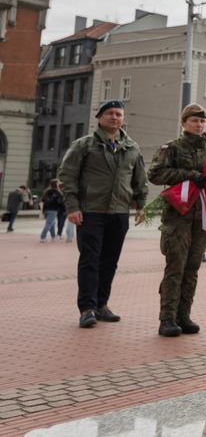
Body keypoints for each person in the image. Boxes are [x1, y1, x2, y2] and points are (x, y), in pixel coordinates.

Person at [59, 99, 147, 328]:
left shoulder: (132, 147)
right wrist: (72, 206)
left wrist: (141, 205)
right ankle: (87, 308)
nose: (114, 117)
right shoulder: (84, 145)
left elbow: (140, 180)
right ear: (99, 118)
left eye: (118, 114)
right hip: (90, 212)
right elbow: (67, 176)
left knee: (110, 261)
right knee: (90, 260)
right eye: (109, 113)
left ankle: (102, 305)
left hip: (119, 213)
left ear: (123, 118)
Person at [148, 103, 206, 337]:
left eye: (202, 121)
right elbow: (155, 173)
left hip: (203, 218)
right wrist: (189, 175)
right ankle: (167, 318)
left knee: (192, 269)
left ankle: (183, 315)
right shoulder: (173, 148)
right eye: (194, 121)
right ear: (183, 123)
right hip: (178, 218)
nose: (199, 125)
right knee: (175, 268)